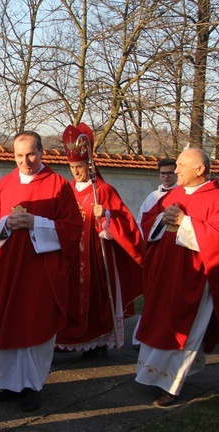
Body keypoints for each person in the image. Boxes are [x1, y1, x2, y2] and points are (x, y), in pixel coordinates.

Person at [0, 131, 82, 412]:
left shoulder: (58, 185)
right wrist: (6, 223)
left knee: (34, 323)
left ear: (42, 152)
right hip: (7, 269)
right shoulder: (4, 184)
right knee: (6, 322)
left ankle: (32, 386)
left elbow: (72, 227)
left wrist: (36, 223)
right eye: (19, 156)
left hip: (39, 271)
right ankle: (8, 383)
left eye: (30, 154)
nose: (25, 161)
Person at [135, 148, 219, 407]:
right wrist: (162, 217)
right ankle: (151, 374)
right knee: (159, 322)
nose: (177, 170)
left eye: (182, 165)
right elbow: (149, 222)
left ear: (200, 170)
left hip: (194, 278)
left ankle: (172, 385)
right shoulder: (173, 195)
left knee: (186, 330)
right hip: (165, 274)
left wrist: (185, 222)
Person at [57, 123, 143, 359]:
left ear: (90, 165)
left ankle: (96, 341)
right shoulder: (67, 190)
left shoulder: (103, 190)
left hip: (95, 255)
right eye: (72, 167)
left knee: (94, 298)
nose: (76, 172)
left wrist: (105, 216)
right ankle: (65, 338)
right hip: (71, 256)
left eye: (80, 166)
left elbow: (125, 221)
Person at [131, 157, 177, 349]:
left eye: (169, 173)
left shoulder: (182, 194)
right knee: (152, 294)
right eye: (162, 173)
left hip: (175, 252)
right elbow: (142, 221)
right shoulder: (152, 197)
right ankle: (142, 335)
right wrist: (160, 218)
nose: (165, 177)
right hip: (155, 251)